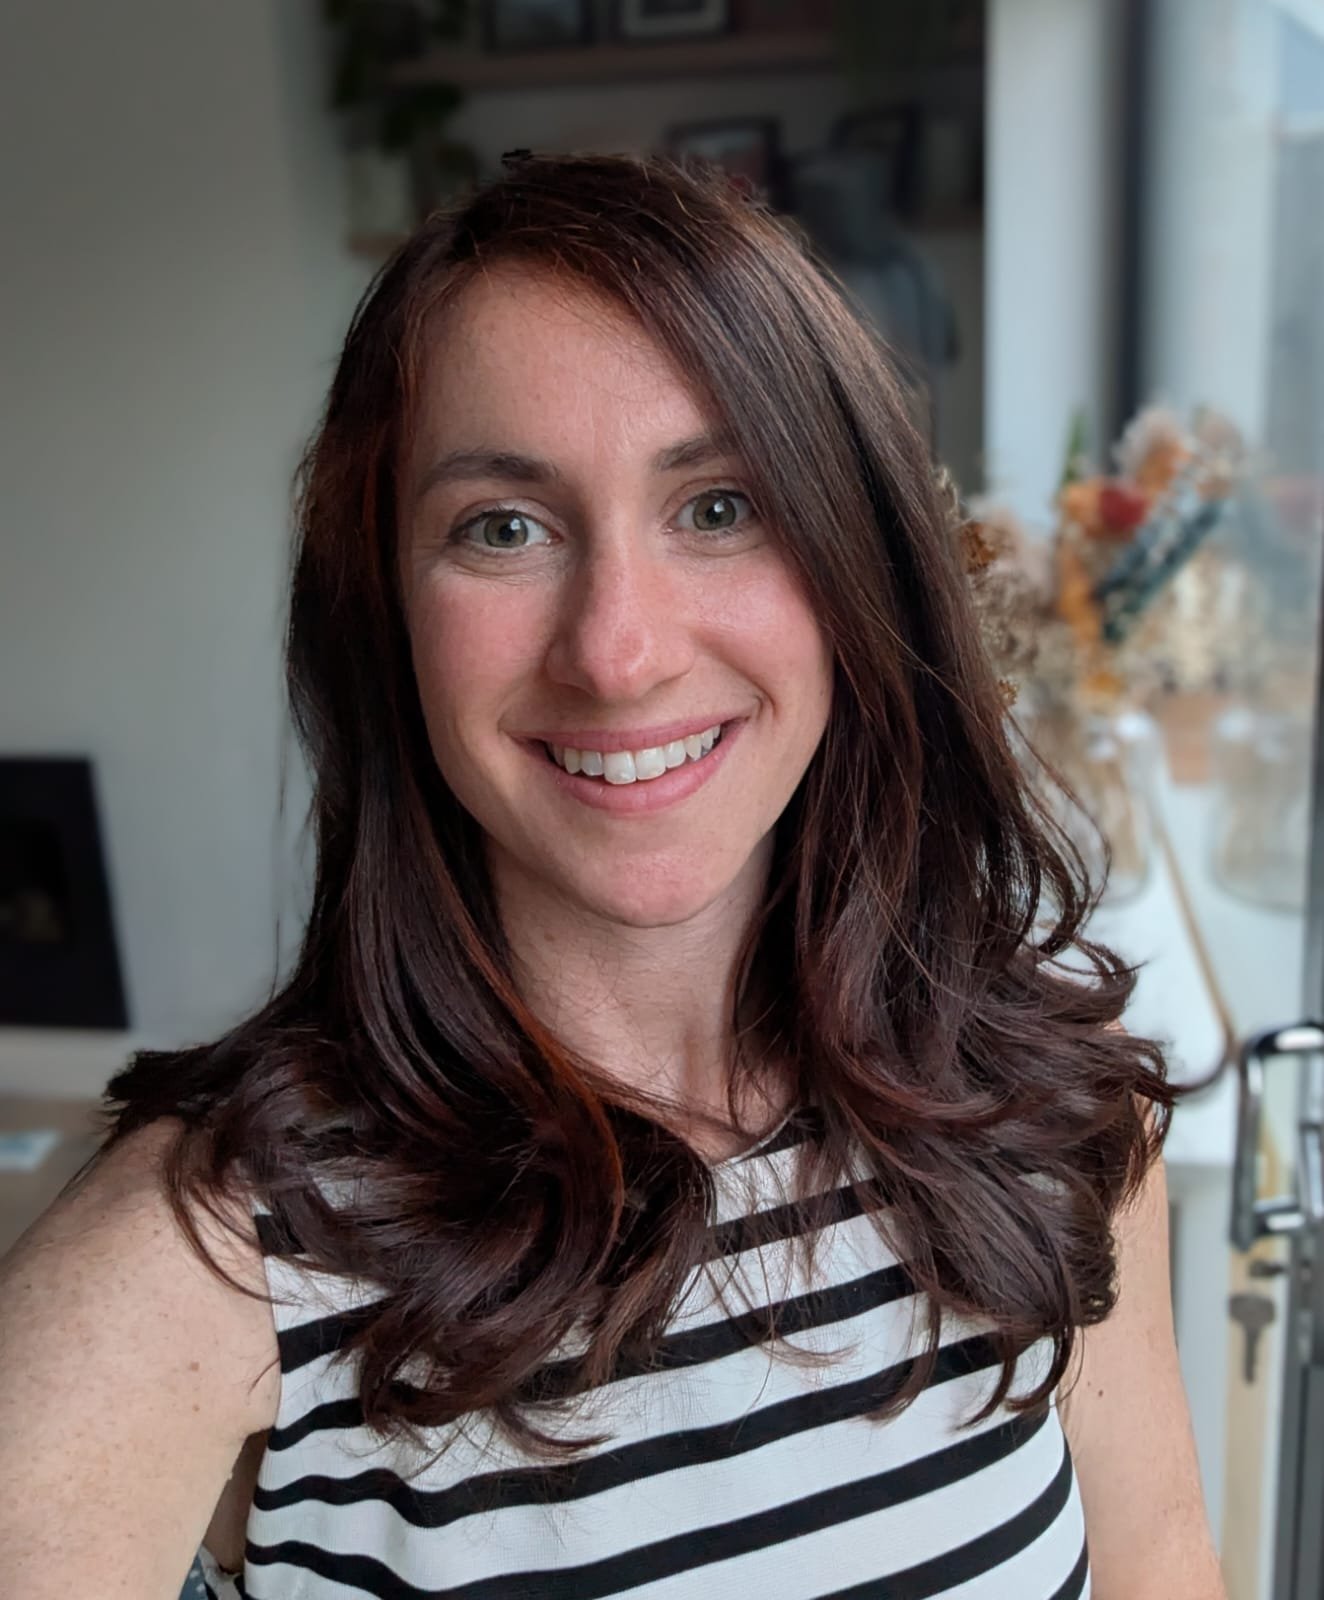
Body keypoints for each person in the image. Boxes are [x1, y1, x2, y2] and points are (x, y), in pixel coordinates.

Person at [0, 151, 1224, 1600]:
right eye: (502, 528)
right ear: (384, 616)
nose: (618, 650)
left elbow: (1160, 1567)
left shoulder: (1052, 1120)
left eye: (720, 506)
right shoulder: (201, 1265)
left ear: (859, 565)